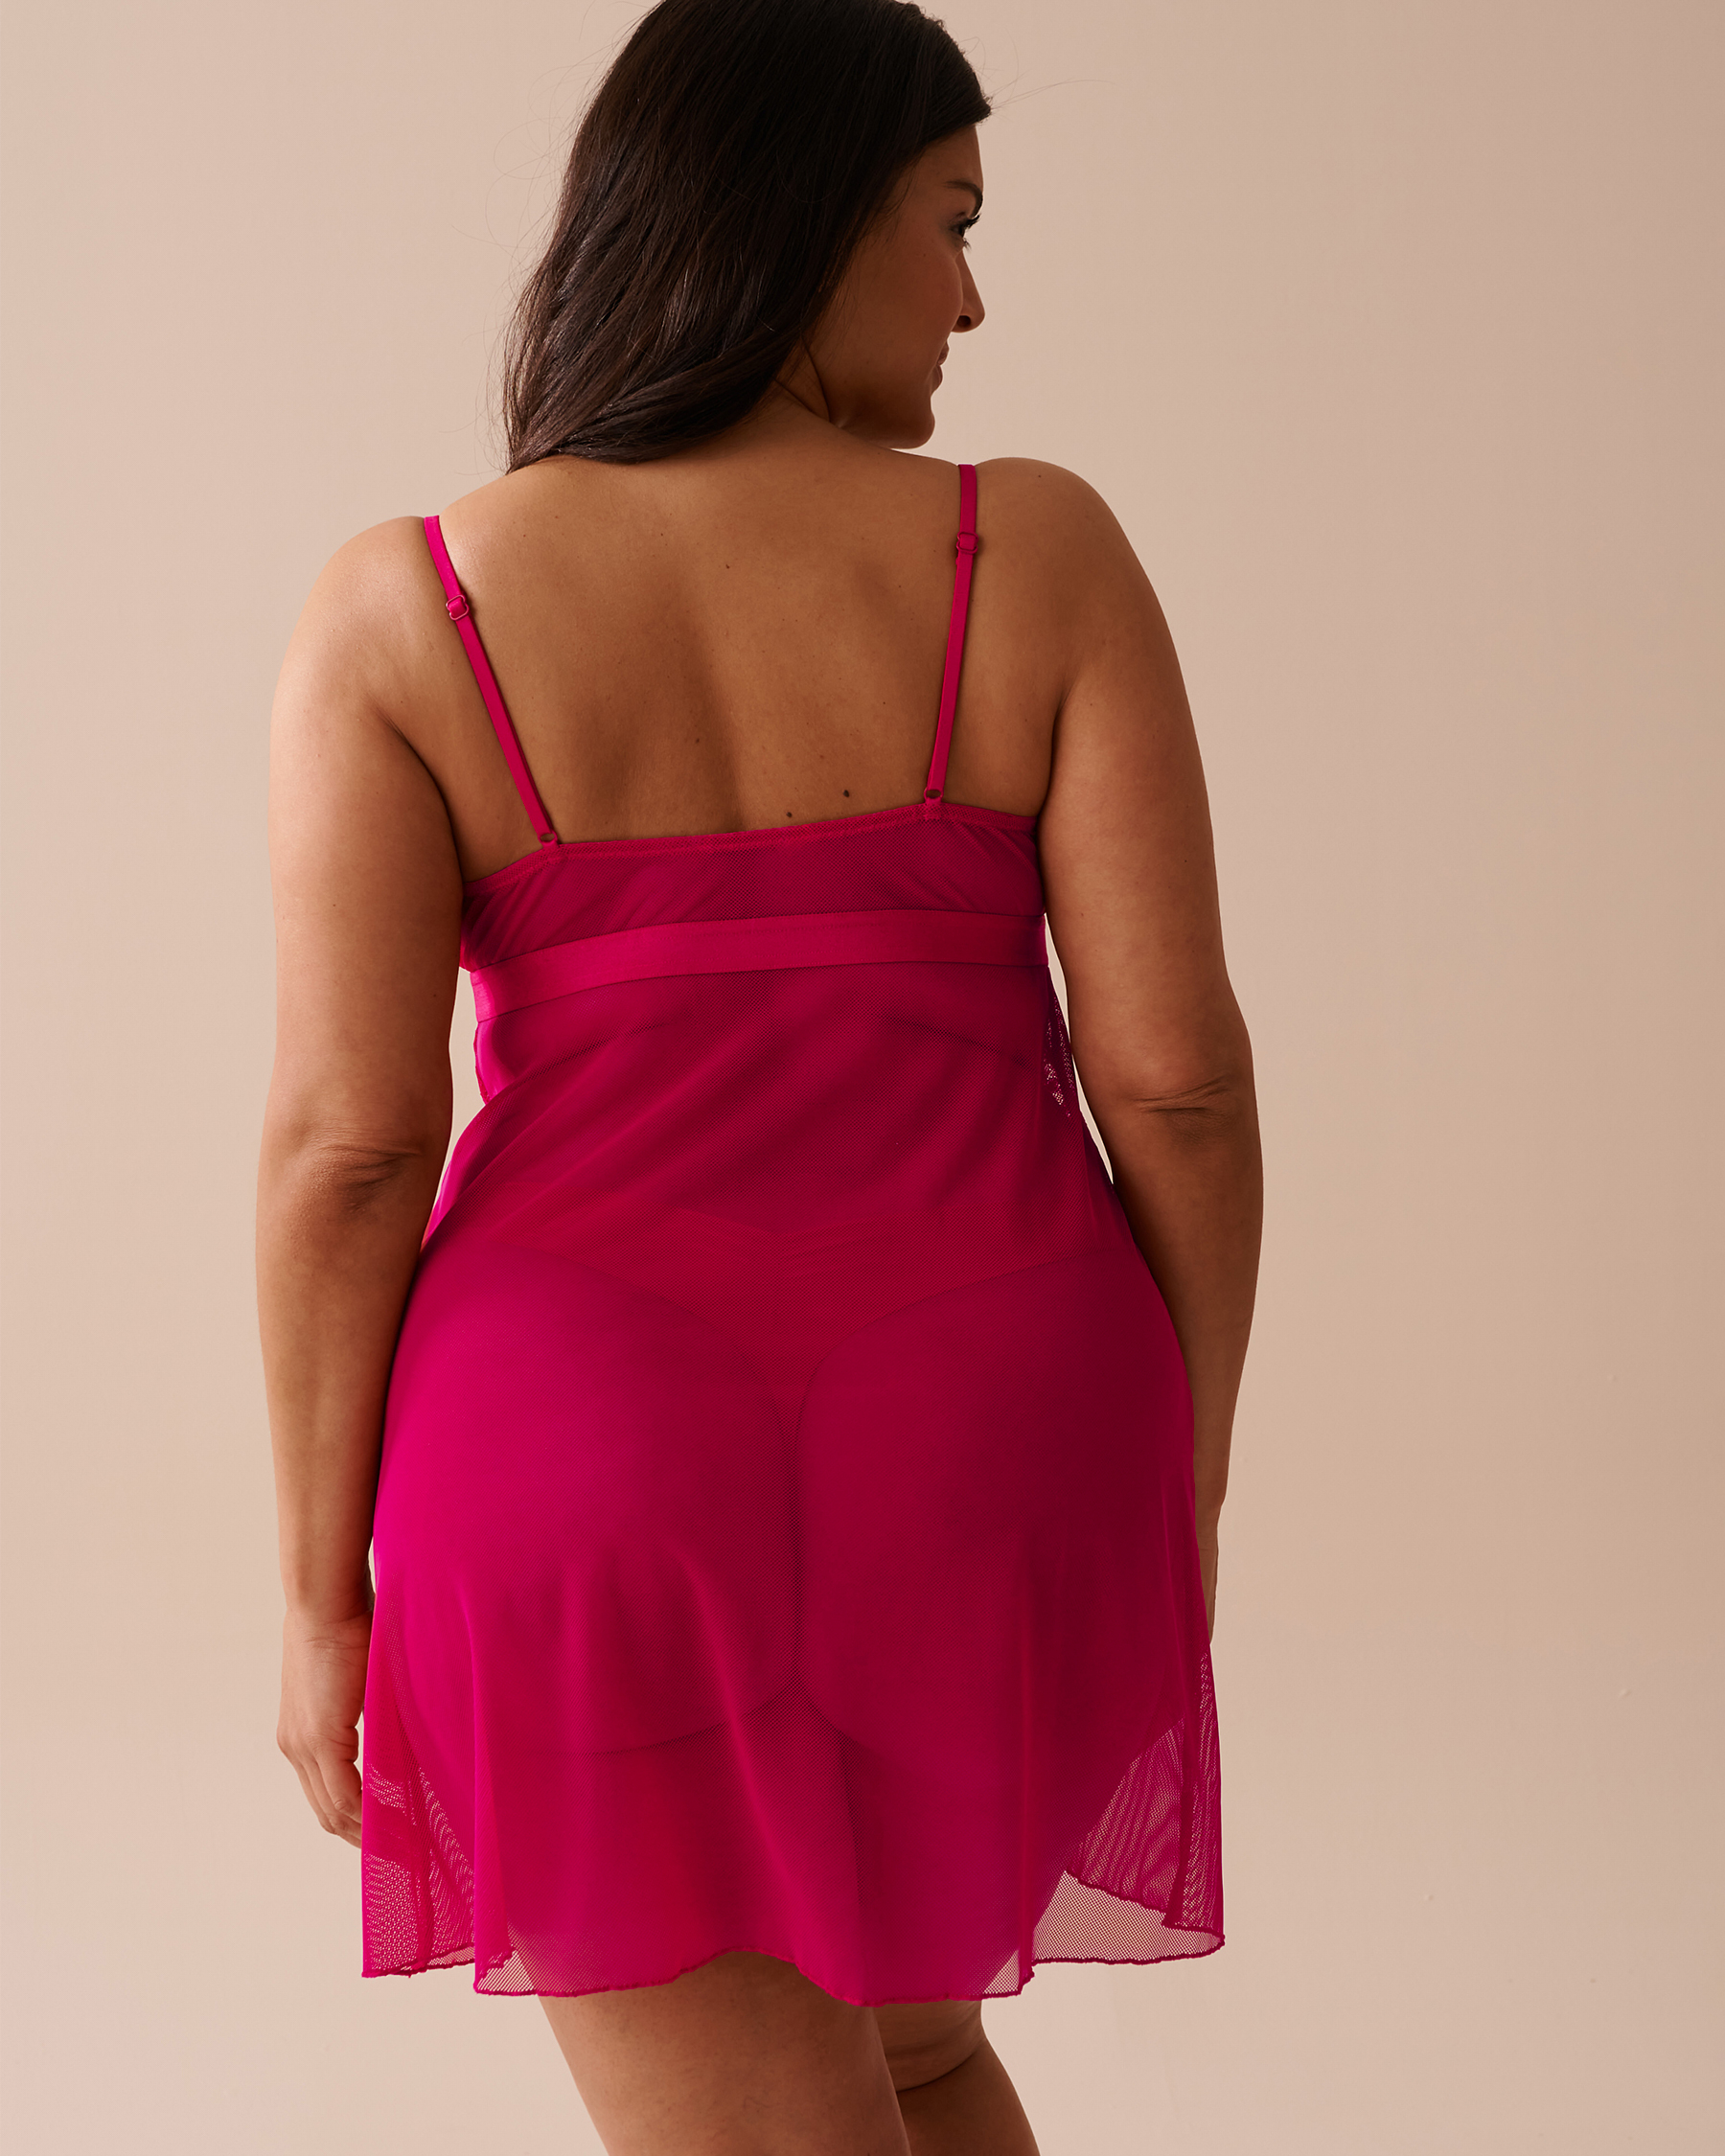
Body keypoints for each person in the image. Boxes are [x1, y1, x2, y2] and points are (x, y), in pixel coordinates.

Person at [256, 0, 1262, 2147]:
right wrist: (1178, 1470)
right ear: (804, 212)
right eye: (952, 223)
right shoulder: (1037, 551)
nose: (974, 298)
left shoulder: (403, 609)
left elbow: (352, 1150)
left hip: (584, 1460)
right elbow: (1176, 1083)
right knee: (914, 2057)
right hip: (999, 1425)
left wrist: (322, 1595)